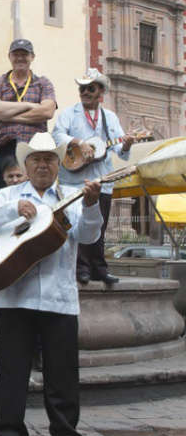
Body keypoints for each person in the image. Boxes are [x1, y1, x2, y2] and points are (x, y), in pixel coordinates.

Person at [0, 133, 102, 436]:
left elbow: (88, 235)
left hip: (59, 297)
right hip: (14, 295)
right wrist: (14, 210)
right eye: (36, 159)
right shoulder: (6, 195)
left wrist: (91, 206)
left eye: (49, 159)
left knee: (63, 372)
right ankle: (8, 431)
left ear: (58, 165)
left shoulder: (72, 196)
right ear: (26, 164)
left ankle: (66, 434)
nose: (43, 164)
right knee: (11, 370)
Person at [52, 68, 136, 286]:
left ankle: (99, 269)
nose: (85, 92)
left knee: (99, 226)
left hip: (101, 181)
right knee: (77, 224)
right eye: (82, 88)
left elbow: (121, 152)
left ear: (101, 91)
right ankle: (81, 268)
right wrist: (78, 143)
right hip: (72, 182)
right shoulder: (69, 114)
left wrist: (125, 144)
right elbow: (57, 135)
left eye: (90, 88)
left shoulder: (110, 118)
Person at [0, 39, 57, 189]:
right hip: (5, 146)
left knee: (36, 191)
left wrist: (6, 115)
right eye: (16, 54)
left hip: (35, 147)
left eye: (24, 54)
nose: (20, 58)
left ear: (32, 57)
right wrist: (29, 105)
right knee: (5, 194)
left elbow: (48, 111)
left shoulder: (43, 83)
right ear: (9, 56)